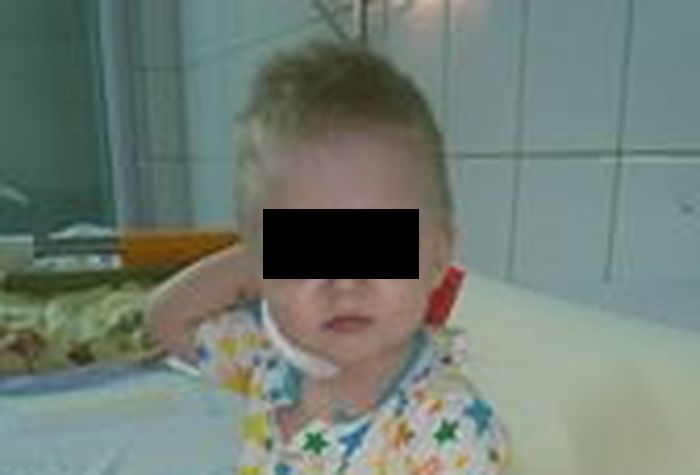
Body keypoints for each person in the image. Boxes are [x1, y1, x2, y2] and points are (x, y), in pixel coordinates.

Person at [146, 40, 507, 475]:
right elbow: (166, 321)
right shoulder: (268, 355)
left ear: (436, 257)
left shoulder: (449, 427)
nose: (344, 283)